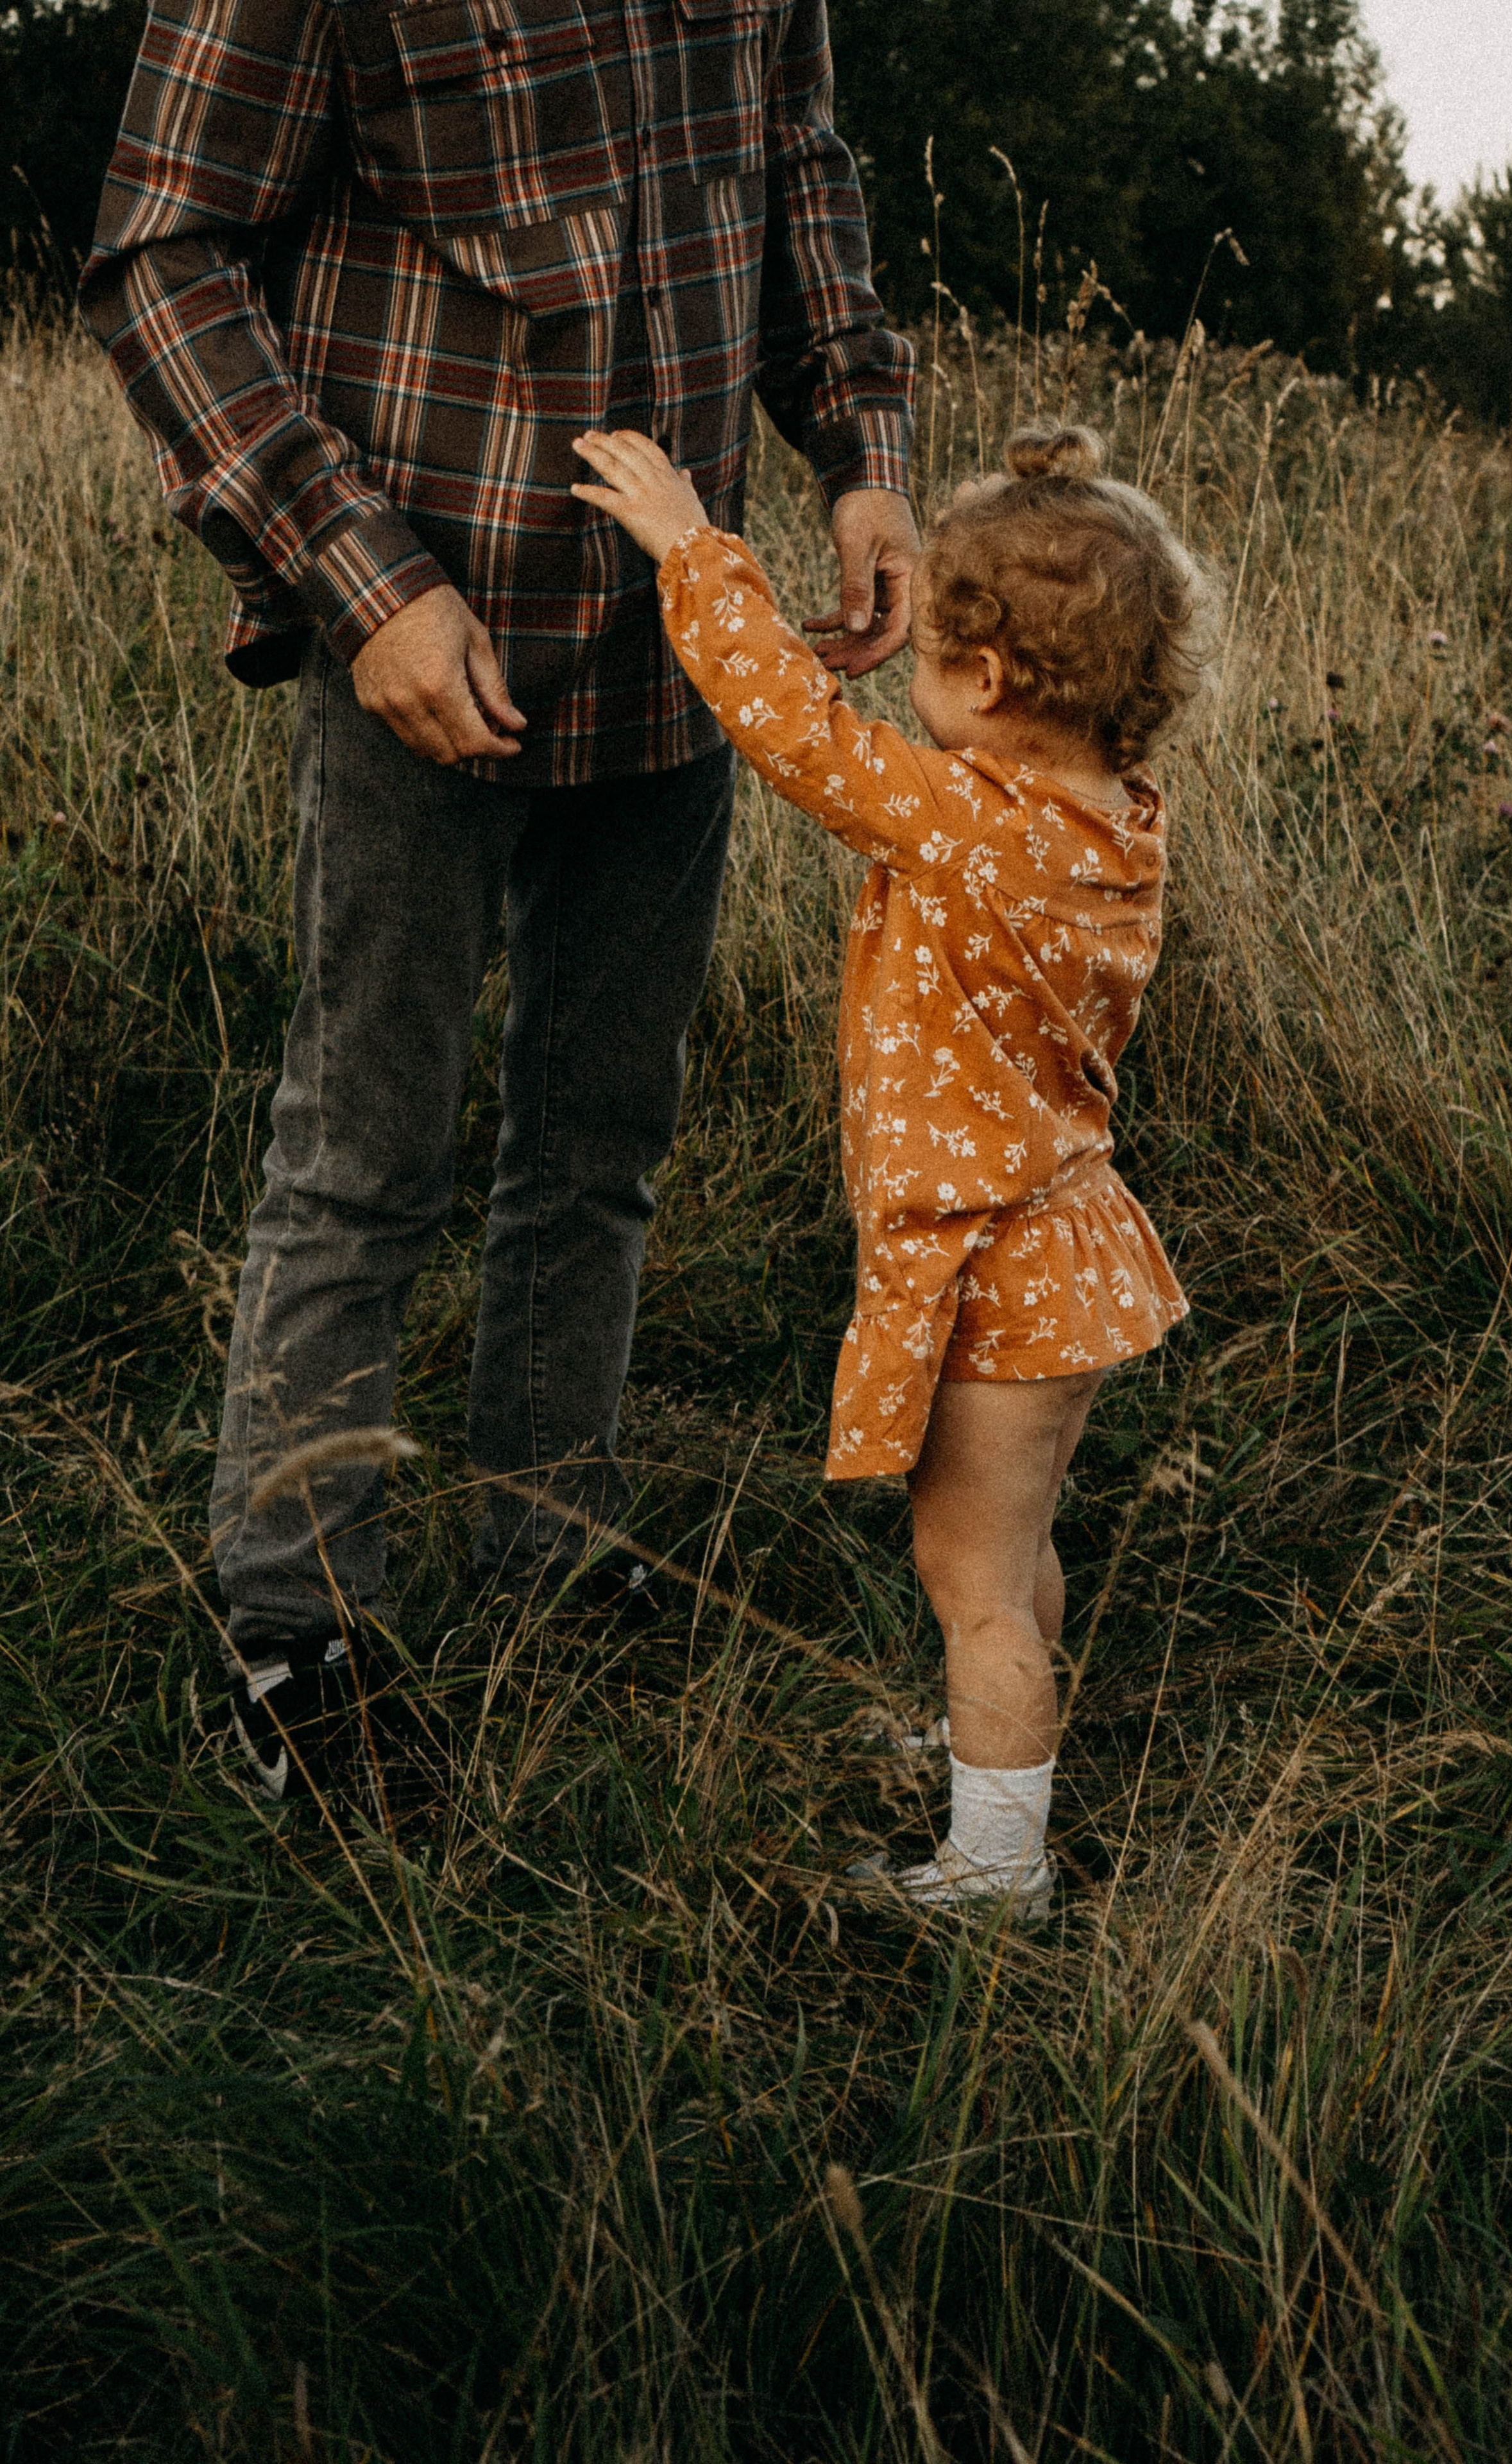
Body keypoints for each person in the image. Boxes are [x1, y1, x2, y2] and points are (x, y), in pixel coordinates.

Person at [79, 0, 919, 1802]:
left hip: (675, 644)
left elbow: (796, 165)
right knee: (364, 1149)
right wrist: (360, 577)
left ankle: (550, 1539)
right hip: (423, 629)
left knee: (603, 1134)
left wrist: (863, 455)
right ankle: (297, 1633)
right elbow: (162, 256)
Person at [569, 419, 1218, 1915]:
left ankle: (995, 1868)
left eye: (926, 659)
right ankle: (997, 1748)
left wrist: (694, 554)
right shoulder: (1111, 818)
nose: (908, 688)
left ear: (984, 685)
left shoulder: (972, 827)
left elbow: (798, 735)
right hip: (1069, 1249)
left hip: (995, 1263)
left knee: (968, 1584)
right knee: (1018, 1549)